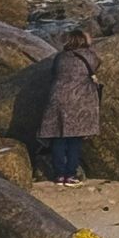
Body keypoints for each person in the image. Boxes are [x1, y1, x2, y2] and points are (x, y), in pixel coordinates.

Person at [38, 29, 100, 186]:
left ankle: (59, 175)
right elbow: (96, 65)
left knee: (58, 136)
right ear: (81, 40)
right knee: (75, 139)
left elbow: (54, 73)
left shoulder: (60, 57)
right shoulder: (89, 55)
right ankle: (70, 175)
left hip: (57, 98)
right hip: (77, 99)